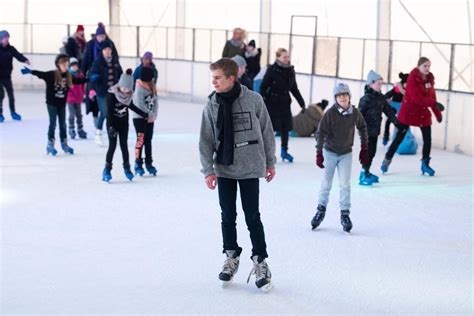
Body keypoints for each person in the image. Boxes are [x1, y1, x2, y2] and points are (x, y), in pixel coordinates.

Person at [199, 58, 276, 292]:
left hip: (251, 166)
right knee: (228, 215)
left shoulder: (253, 100)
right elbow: (206, 139)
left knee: (252, 216)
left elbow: (266, 131)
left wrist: (270, 162)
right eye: (212, 78)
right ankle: (231, 257)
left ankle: (260, 260)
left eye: (217, 78)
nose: (213, 82)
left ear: (231, 78)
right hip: (224, 168)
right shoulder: (211, 105)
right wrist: (208, 170)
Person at [311, 83, 369, 233]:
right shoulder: (330, 113)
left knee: (345, 184)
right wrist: (319, 153)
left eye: (345, 94)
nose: (342, 97)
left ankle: (345, 214)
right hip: (330, 152)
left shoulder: (354, 113)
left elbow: (362, 127)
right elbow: (320, 133)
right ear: (335, 98)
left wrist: (364, 148)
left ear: (349, 96)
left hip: (346, 153)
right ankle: (320, 210)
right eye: (339, 95)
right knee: (326, 184)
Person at [381, 57, 443, 176]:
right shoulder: (412, 79)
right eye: (425, 66)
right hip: (409, 112)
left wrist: (437, 113)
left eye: (429, 66)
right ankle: (387, 159)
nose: (427, 68)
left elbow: (432, 97)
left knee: (427, 139)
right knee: (399, 137)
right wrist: (433, 104)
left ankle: (425, 163)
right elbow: (417, 98)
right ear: (418, 66)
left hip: (423, 113)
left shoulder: (429, 80)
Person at [21, 54, 87, 155]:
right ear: (58, 65)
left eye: (67, 65)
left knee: (63, 125)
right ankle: (50, 144)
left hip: (61, 104)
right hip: (51, 104)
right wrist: (31, 71)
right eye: (64, 65)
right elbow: (41, 74)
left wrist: (89, 79)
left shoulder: (69, 76)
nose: (66, 67)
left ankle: (64, 144)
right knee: (53, 124)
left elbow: (78, 81)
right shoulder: (52, 75)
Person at [102, 69, 149, 182]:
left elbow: (130, 106)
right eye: (124, 88)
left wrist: (143, 114)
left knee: (124, 146)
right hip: (112, 123)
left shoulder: (128, 95)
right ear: (119, 86)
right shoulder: (112, 94)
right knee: (112, 146)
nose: (125, 91)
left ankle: (127, 168)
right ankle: (107, 170)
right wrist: (111, 127)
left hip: (123, 123)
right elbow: (109, 112)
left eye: (128, 89)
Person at [260, 48, 306, 162]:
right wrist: (263, 101)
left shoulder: (290, 70)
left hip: (285, 102)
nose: (287, 59)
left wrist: (302, 103)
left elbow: (294, 88)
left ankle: (284, 151)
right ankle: (268, 153)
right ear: (278, 58)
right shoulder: (272, 69)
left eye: (288, 56)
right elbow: (263, 87)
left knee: (285, 128)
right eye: (284, 57)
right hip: (273, 103)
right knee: (271, 129)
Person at [358, 70, 399, 185]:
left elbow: (388, 111)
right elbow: (358, 115)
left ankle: (367, 171)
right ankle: (363, 174)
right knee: (368, 152)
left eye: (381, 84)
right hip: (366, 131)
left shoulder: (380, 98)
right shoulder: (365, 99)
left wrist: (397, 123)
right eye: (378, 83)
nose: (380, 86)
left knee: (373, 152)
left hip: (375, 131)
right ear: (370, 84)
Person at [89, 40, 123, 146]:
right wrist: (95, 80)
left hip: (114, 93)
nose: (107, 51)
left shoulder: (115, 61)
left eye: (109, 49)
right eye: (105, 50)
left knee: (113, 113)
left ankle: (112, 134)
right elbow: (92, 75)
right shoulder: (98, 62)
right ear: (102, 51)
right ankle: (98, 133)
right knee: (104, 112)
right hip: (102, 92)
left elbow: (120, 74)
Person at [132, 67, 158, 176]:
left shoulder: (152, 87)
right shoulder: (139, 88)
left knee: (148, 141)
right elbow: (140, 105)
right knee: (140, 141)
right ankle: (138, 163)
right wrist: (149, 114)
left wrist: (154, 114)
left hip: (150, 119)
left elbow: (155, 101)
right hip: (139, 118)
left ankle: (149, 163)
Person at [0, 30, 30, 122]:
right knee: (1, 95)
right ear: (1, 39)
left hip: (7, 77)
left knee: (11, 96)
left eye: (8, 37)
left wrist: (25, 60)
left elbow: (18, 55)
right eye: (5, 37)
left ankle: (13, 113)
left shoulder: (11, 49)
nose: (7, 39)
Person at [383, 72, 408, 145]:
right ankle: (386, 137)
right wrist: (387, 99)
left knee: (402, 124)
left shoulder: (409, 91)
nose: (408, 86)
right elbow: (387, 95)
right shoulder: (397, 89)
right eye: (407, 83)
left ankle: (402, 139)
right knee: (389, 121)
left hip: (402, 109)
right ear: (403, 83)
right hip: (394, 107)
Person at [66, 57, 87, 139]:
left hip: (78, 98)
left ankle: (80, 129)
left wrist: (83, 94)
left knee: (79, 114)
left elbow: (82, 86)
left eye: (76, 66)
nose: (75, 67)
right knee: (72, 114)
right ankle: (71, 129)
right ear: (70, 67)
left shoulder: (80, 75)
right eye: (73, 66)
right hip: (70, 99)